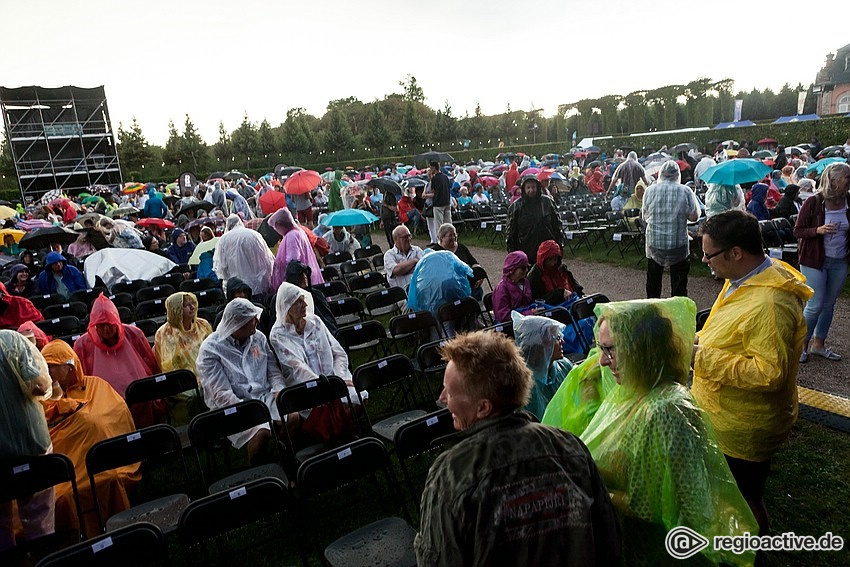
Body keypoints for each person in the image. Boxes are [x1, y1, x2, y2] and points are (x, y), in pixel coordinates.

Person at [414, 330, 620, 566]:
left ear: (483, 408)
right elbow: (609, 540)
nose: (441, 398)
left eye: (450, 392)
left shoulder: (451, 473)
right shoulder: (569, 445)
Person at [581, 298, 758, 565]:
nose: (604, 362)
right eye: (601, 350)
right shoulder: (635, 391)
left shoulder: (665, 411)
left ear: (639, 348)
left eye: (610, 349)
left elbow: (651, 506)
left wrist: (592, 488)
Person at [694, 210, 812, 535]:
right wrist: (700, 340)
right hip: (725, 412)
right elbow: (730, 331)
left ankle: (753, 548)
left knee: (745, 496)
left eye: (708, 254)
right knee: (733, 491)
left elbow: (769, 373)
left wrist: (699, 357)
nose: (704, 260)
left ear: (735, 253)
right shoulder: (745, 279)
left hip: (744, 425)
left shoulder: (770, 304)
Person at [39, 339, 140, 537]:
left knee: (110, 478)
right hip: (68, 471)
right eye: (45, 367)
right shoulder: (43, 398)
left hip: (105, 464)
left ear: (69, 367)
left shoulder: (96, 386)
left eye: (52, 367)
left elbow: (115, 415)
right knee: (64, 497)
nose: (48, 373)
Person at [196, 298, 287, 462]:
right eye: (252, 319)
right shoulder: (211, 349)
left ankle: (282, 459)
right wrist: (252, 411)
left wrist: (279, 389)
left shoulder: (258, 338)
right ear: (238, 323)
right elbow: (221, 394)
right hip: (233, 407)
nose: (257, 322)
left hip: (264, 395)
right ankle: (259, 469)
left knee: (292, 417)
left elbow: (273, 370)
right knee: (262, 431)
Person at [268, 283, 361, 433]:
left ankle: (338, 431)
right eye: (298, 302)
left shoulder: (315, 322)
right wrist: (326, 386)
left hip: (334, 377)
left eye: (303, 299)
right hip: (305, 386)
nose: (304, 304)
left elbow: (338, 352)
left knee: (359, 397)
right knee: (324, 406)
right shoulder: (278, 334)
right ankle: (330, 433)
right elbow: (297, 368)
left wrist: (339, 377)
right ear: (287, 307)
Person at [0, 330, 54, 552]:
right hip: (32, 442)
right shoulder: (11, 340)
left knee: (1, 525)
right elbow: (40, 387)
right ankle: (44, 557)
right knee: (39, 515)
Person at [73, 294, 163, 426]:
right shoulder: (83, 345)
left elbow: (152, 366)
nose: (106, 329)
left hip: (141, 401)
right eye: (101, 325)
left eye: (109, 324)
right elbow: (80, 382)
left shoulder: (134, 334)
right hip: (102, 405)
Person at [793, 162, 850, 362]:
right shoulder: (815, 202)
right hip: (814, 260)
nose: (849, 182)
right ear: (833, 181)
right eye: (846, 178)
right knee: (815, 304)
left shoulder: (848, 201)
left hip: (840, 260)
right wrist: (818, 230)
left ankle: (819, 344)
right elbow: (797, 230)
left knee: (828, 304)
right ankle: (801, 345)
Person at [640, 161, 700, 298]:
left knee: (653, 281)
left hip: (655, 242)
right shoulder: (685, 191)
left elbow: (645, 216)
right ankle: (678, 312)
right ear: (678, 174)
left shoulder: (650, 191)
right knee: (679, 284)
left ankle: (653, 309)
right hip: (678, 243)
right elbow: (694, 217)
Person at [153, 292, 213, 422]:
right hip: (181, 386)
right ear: (176, 310)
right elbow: (167, 367)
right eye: (186, 305)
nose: (192, 307)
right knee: (197, 397)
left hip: (208, 377)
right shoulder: (164, 334)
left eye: (193, 303)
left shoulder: (203, 325)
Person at [511, 312, 573, 419]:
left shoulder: (564, 366)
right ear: (542, 345)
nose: (562, 341)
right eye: (557, 338)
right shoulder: (525, 382)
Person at [213, 214, 276, 297]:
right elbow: (268, 261)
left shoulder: (223, 240)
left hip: (237, 291)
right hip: (258, 287)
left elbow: (221, 269)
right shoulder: (254, 235)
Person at [506, 174, 561, 266]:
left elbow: (557, 225)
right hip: (526, 249)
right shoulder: (516, 207)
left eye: (533, 187)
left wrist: (559, 246)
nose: (531, 190)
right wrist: (513, 253)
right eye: (528, 187)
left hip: (547, 248)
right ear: (523, 189)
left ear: (538, 187)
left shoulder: (547, 202)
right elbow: (511, 232)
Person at [427, 223, 485, 300]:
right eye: (450, 235)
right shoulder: (435, 252)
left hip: (469, 286)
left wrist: (479, 275)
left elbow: (474, 263)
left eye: (454, 234)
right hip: (449, 291)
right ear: (441, 238)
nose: (453, 237)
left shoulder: (461, 248)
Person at [269, 207, 323, 289]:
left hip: (299, 283)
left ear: (280, 224)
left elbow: (292, 261)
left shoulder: (292, 236)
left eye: (276, 227)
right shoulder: (297, 232)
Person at [284, 260, 337, 335]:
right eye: (300, 275)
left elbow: (329, 320)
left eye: (305, 273)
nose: (304, 277)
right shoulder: (285, 299)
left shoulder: (317, 295)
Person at [527, 240, 583, 305]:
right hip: (552, 309)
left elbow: (576, 287)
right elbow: (538, 300)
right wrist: (559, 293)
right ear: (543, 260)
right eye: (550, 260)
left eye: (555, 259)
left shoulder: (562, 270)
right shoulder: (535, 276)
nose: (553, 263)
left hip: (571, 303)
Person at [492, 251, 533, 323]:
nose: (526, 270)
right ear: (512, 269)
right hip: (509, 325)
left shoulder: (525, 283)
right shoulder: (502, 288)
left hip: (525, 322)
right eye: (523, 268)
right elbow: (503, 316)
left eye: (527, 267)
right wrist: (529, 313)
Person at [383, 224, 423, 292]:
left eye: (409, 235)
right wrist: (415, 261)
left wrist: (403, 269)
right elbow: (396, 270)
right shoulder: (389, 255)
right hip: (401, 295)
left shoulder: (417, 250)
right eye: (405, 237)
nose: (409, 239)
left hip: (420, 290)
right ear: (395, 239)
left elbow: (424, 267)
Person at [425, 161, 452, 239]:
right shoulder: (446, 177)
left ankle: (440, 241)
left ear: (434, 168)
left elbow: (433, 191)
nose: (430, 169)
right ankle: (450, 238)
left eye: (431, 168)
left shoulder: (435, 179)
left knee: (439, 225)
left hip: (438, 203)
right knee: (448, 223)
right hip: (447, 202)